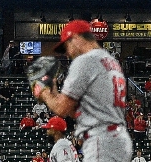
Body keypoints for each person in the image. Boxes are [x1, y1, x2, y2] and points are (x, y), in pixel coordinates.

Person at [33, 21, 131, 162]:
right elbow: (76, 109)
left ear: (76, 38)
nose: (67, 52)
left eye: (67, 45)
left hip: (101, 139)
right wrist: (53, 89)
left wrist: (44, 93)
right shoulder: (110, 61)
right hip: (117, 139)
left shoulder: (85, 61)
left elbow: (61, 109)